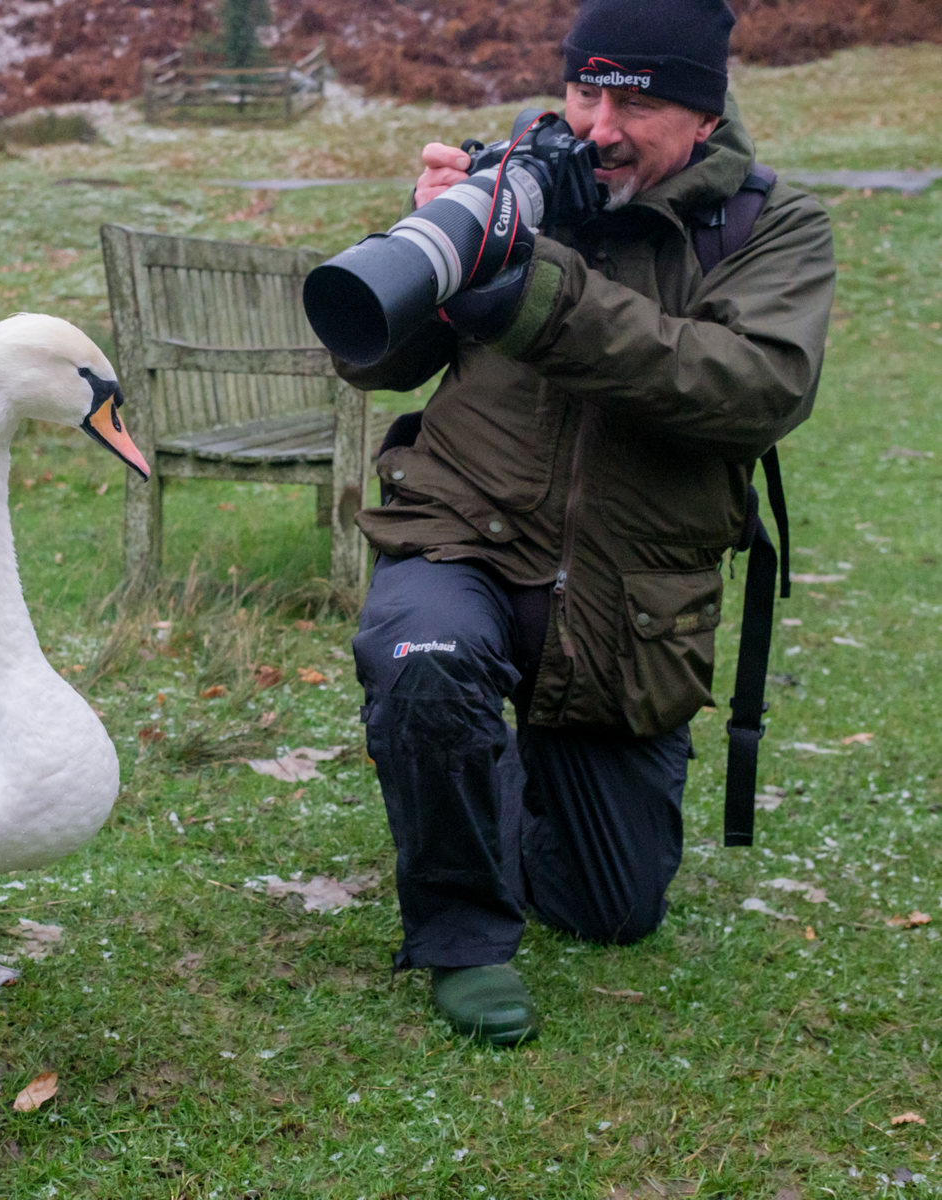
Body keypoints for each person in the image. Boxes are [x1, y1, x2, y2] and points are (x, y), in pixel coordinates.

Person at [338, 0, 836, 1044]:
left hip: (625, 599)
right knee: (426, 660)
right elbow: (373, 363)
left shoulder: (766, 226)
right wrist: (434, 245)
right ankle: (462, 942)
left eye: (635, 102)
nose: (599, 127)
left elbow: (754, 386)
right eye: (584, 91)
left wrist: (537, 298)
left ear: (703, 115)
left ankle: (490, 766)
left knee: (611, 911)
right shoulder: (513, 189)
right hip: (462, 536)